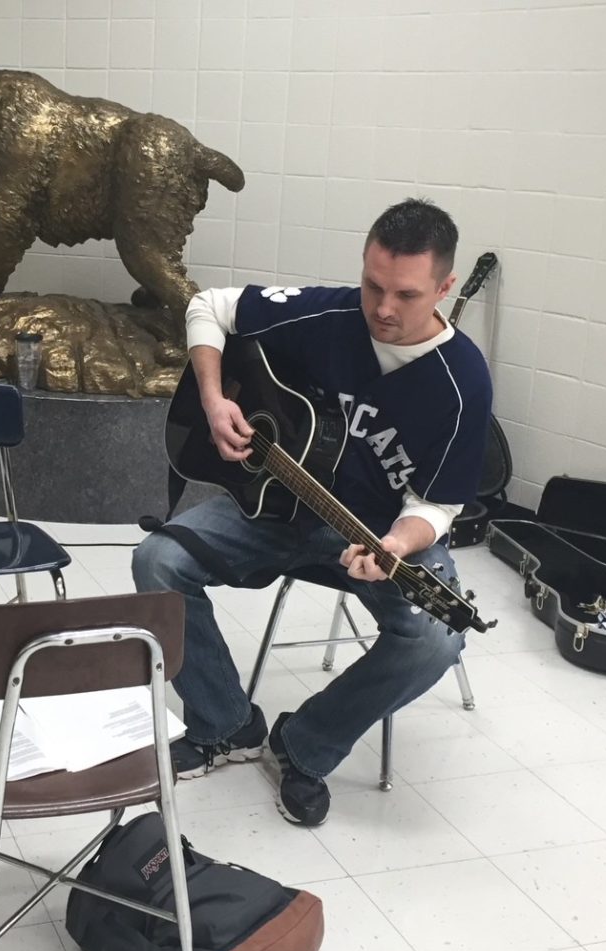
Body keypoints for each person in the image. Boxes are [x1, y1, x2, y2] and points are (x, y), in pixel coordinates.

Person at [133, 198, 492, 827]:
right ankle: (225, 723)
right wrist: (216, 402)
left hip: (372, 537)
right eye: (372, 285)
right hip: (274, 509)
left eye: (405, 295)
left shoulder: (462, 382)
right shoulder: (328, 313)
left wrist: (398, 548)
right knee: (157, 560)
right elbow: (207, 307)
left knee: (438, 638)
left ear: (445, 287)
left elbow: (436, 504)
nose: (382, 308)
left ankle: (306, 746)